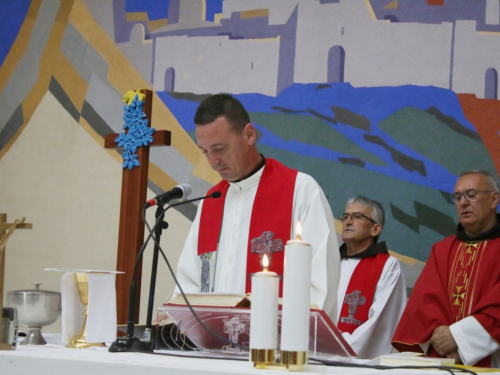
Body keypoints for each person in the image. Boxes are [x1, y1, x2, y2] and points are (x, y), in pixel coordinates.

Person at [174, 93, 340, 320]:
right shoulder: (211, 201)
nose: (213, 161)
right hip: (213, 346)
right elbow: (189, 283)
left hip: (277, 347)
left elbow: (321, 282)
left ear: (249, 135)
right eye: (205, 151)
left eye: (220, 148)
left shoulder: (300, 191)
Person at [392, 170, 500, 367]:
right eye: (457, 197)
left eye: (471, 195)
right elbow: (424, 304)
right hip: (443, 359)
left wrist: (459, 338)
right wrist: (442, 339)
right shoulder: (441, 250)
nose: (463, 203)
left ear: (494, 199)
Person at [337, 196, 406, 359]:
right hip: (316, 356)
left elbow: (381, 323)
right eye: (345, 216)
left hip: (356, 363)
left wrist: (338, 347)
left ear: (375, 229)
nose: (347, 222)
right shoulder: (330, 262)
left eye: (357, 217)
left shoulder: (387, 266)